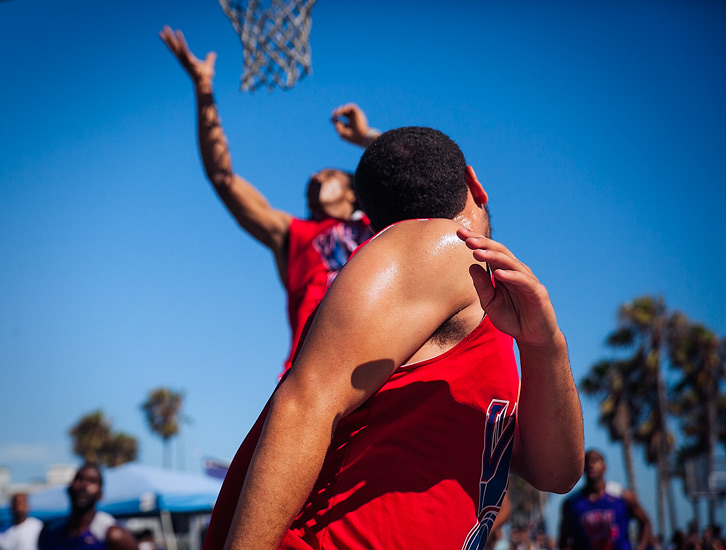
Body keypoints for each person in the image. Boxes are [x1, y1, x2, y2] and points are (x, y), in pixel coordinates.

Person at [202, 126, 584, 550]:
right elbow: (304, 405)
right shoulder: (446, 246)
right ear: (475, 184)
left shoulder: (493, 315)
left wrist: (546, 345)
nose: (315, 179)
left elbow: (557, 473)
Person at [160, 27, 378, 373]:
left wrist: (367, 138)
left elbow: (419, 170)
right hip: (312, 374)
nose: (314, 176)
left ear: (353, 191)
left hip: (386, 365)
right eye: (313, 176)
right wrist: (204, 90)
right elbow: (223, 178)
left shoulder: (380, 223)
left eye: (329, 173)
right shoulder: (293, 233)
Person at [559, 449, 653, 550]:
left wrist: (641, 546)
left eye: (595, 460)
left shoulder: (623, 496)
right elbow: (564, 538)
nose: (591, 464)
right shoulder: (572, 503)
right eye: (586, 461)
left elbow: (645, 522)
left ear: (605, 466)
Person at [38, 463, 137, 550]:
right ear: (69, 488)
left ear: (100, 495)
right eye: (79, 478)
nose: (84, 485)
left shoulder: (113, 536)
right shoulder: (50, 534)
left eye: (92, 481)